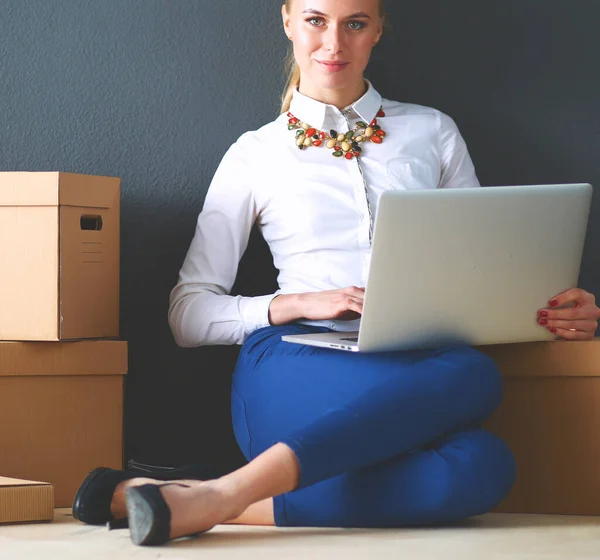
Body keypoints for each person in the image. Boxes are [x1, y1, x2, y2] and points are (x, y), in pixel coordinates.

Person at [72, 0, 600, 547]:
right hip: (290, 361)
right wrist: (296, 303)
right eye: (316, 21)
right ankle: (221, 494)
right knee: (476, 375)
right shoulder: (255, 153)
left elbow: (478, 273)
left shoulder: (432, 132)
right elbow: (188, 313)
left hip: (412, 366)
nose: (333, 45)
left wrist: (548, 308)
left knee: (484, 464)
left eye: (355, 24)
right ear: (287, 22)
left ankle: (205, 497)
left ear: (377, 31)